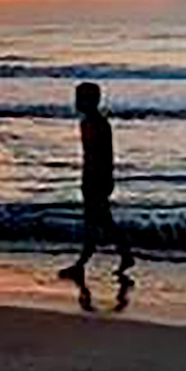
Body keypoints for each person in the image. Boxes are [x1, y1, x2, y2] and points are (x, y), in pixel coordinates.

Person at [59, 82, 134, 284]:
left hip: (96, 181)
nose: (76, 103)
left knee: (95, 223)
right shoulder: (89, 122)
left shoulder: (97, 124)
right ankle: (123, 255)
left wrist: (102, 181)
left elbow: (102, 156)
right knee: (101, 222)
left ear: (92, 101)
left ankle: (82, 264)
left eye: (80, 99)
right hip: (93, 179)